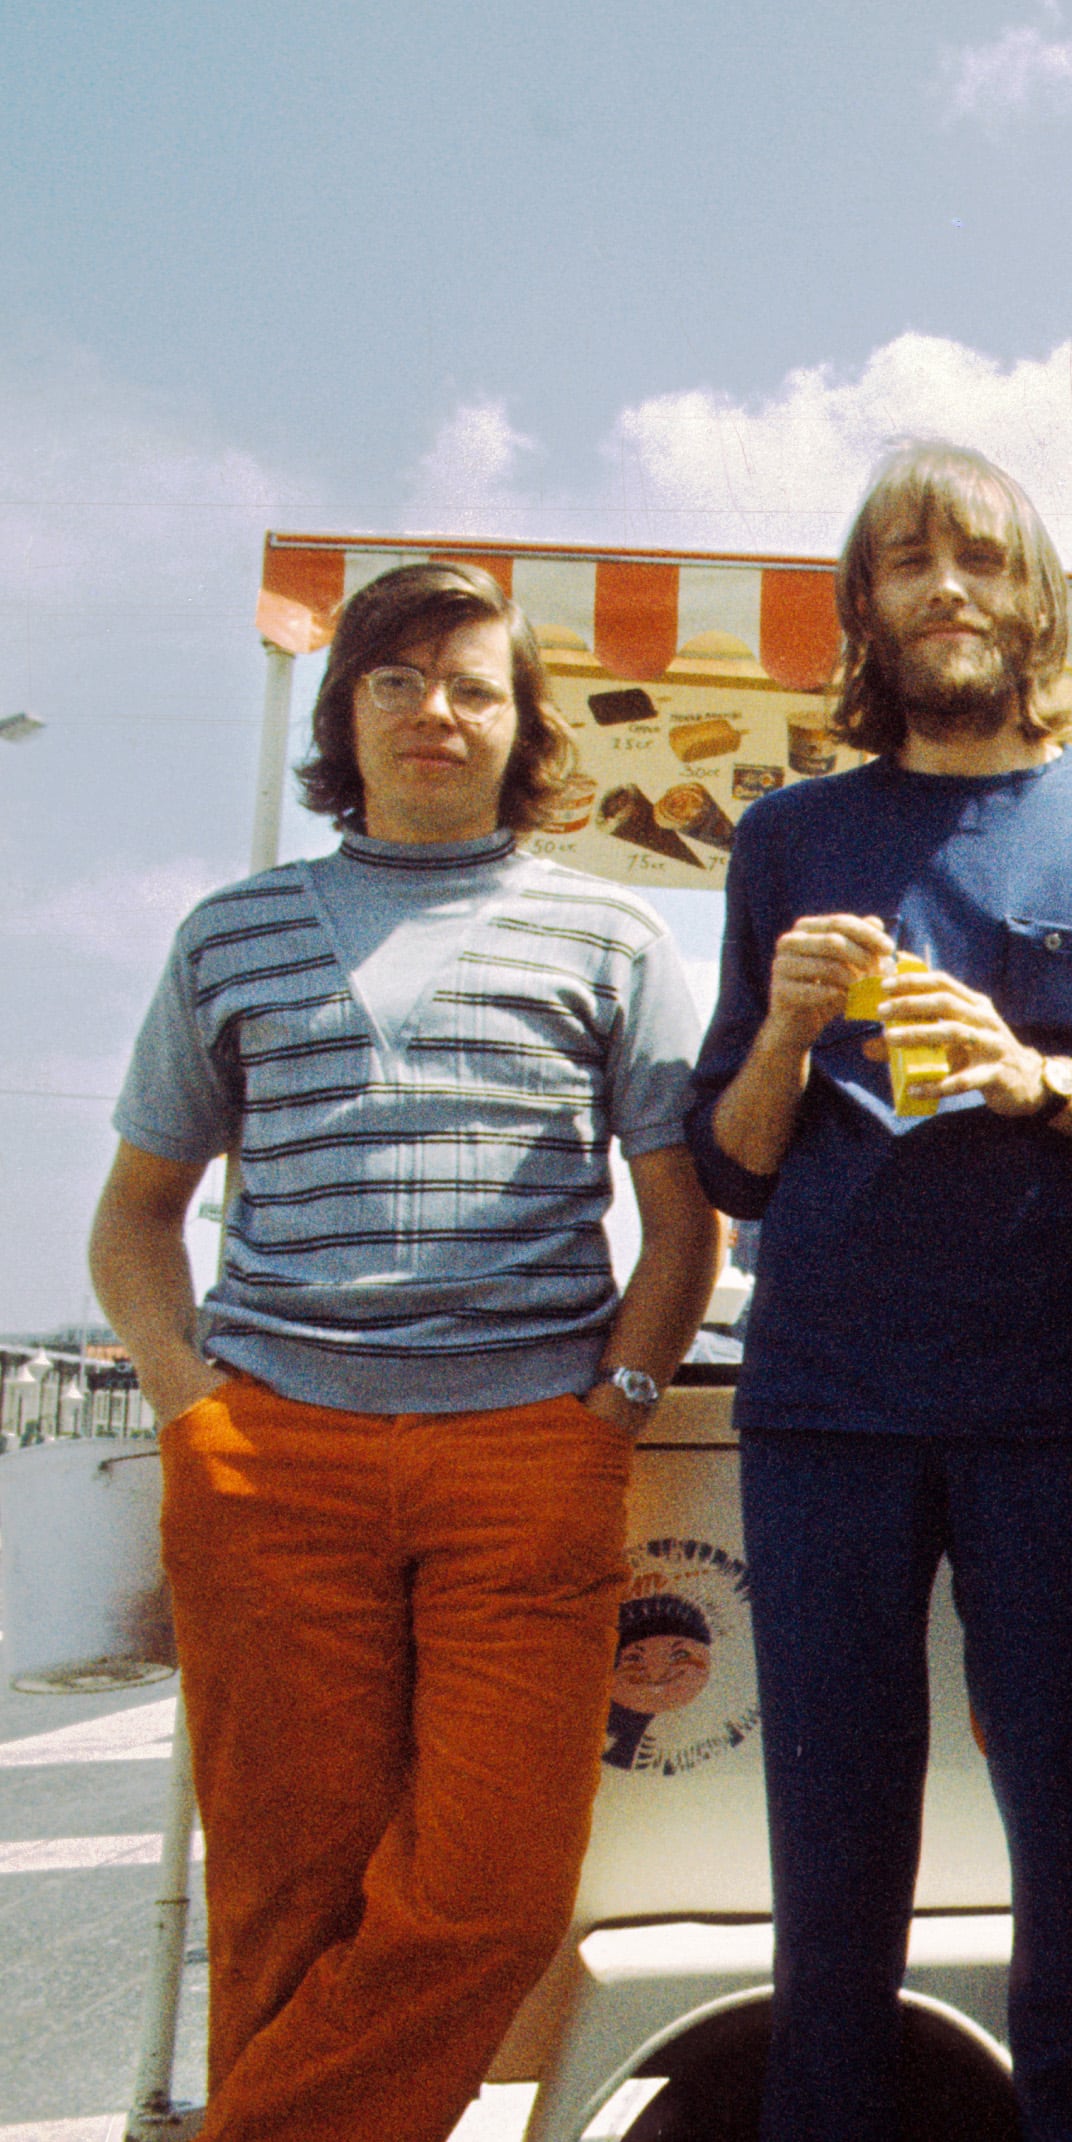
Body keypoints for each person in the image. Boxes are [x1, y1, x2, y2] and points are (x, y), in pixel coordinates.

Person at [86, 561, 719, 2142]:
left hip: (528, 1460)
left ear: (523, 730)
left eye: (473, 685)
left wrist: (611, 1413)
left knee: (498, 1892)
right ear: (346, 715)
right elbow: (135, 1218)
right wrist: (195, 1415)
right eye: (395, 679)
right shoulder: (229, 937)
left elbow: (684, 1220)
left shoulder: (613, 934)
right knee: (286, 1906)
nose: (434, 709)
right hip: (272, 1459)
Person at [687, 442, 1072, 2142]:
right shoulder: (786, 835)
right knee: (830, 1871)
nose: (946, 587)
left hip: (1054, 1408)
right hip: (824, 1407)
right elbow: (733, 1167)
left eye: (980, 557)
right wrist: (779, 1029)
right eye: (906, 561)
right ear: (864, 608)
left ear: (1038, 596)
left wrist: (1032, 1077)